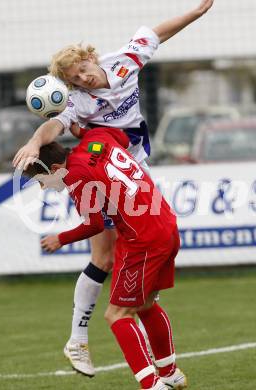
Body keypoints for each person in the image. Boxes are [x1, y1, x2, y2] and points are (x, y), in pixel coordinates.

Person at [13, 0, 214, 377]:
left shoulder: (123, 60)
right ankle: (78, 339)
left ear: (92, 57)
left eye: (84, 70)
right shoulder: (76, 101)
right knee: (105, 257)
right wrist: (35, 143)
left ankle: (166, 370)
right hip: (110, 168)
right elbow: (54, 126)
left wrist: (196, 13)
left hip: (135, 167)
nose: (84, 79)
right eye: (75, 79)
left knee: (138, 275)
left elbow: (158, 33)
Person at [24, 126, 186, 390]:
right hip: (166, 225)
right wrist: (82, 129)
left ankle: (151, 385)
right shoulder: (95, 138)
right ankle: (170, 374)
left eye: (41, 180)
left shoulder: (76, 177)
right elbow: (121, 137)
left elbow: (95, 225)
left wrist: (60, 238)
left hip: (141, 239)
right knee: (145, 304)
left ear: (55, 169)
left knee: (117, 315)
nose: (43, 188)